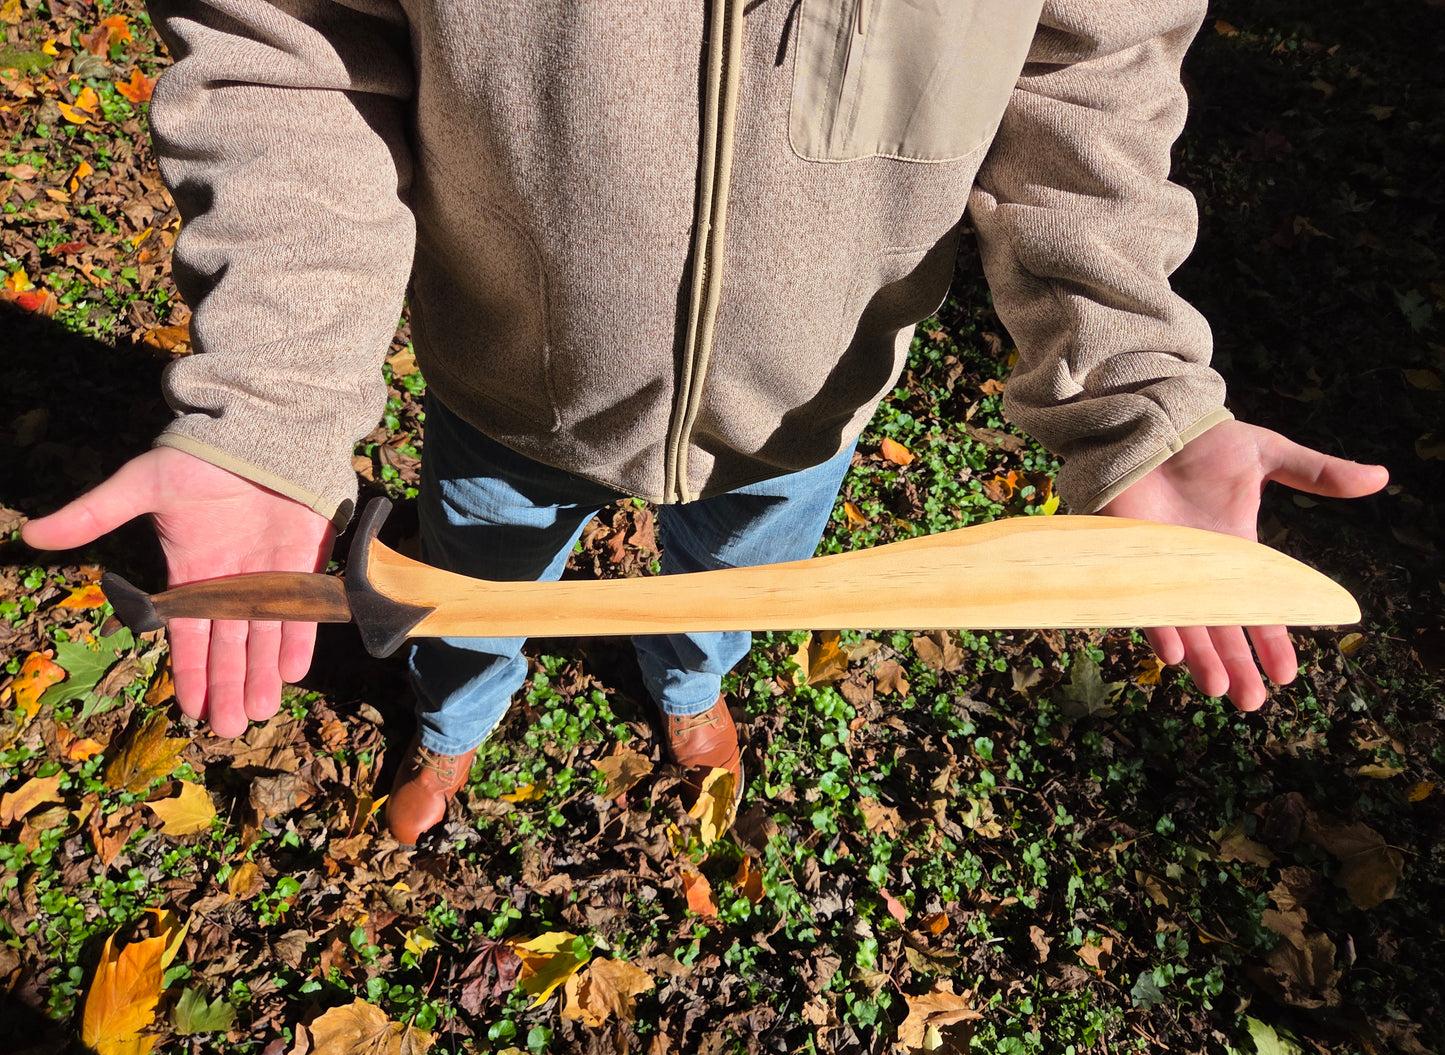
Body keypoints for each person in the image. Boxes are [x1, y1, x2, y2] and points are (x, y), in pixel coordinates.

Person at [22, 0, 1386, 845]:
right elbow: (288, 54)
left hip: (800, 415)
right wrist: (267, 401)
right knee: (468, 595)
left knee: (730, 585)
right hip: (505, 391)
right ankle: (452, 725)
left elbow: (1084, 96)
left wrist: (1134, 381)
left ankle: (688, 687)